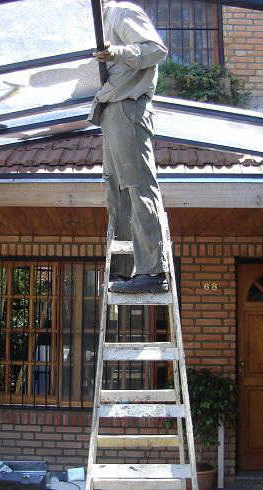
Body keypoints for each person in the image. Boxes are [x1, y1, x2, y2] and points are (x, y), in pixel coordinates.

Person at [89, 1, 169, 294]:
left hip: (128, 107)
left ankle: (153, 271)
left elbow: (156, 50)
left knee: (138, 187)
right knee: (117, 192)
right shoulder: (95, 22)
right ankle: (124, 271)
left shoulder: (122, 12)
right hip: (110, 110)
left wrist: (118, 52)